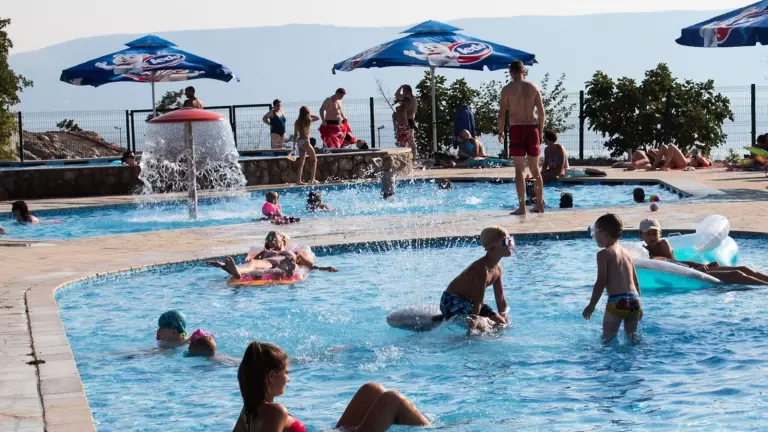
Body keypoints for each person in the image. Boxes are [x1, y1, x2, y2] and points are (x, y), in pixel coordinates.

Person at [232, 341, 430, 432]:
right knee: (391, 399)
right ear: (271, 376)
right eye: (286, 372)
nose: (288, 379)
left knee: (372, 390)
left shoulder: (248, 413)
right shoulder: (276, 412)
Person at [639, 218, 768, 285]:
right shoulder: (645, 253)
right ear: (641, 236)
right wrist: (698, 268)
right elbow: (671, 267)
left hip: (690, 269)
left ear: (660, 233)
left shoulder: (663, 244)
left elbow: (675, 262)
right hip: (688, 275)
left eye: (654, 233)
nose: (652, 237)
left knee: (743, 268)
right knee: (736, 274)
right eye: (648, 234)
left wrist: (701, 266)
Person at [439, 226, 512, 333]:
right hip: (450, 301)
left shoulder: (498, 269)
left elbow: (500, 299)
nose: (510, 244)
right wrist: (472, 328)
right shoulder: (482, 269)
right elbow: (478, 301)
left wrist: (504, 319)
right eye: (506, 241)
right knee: (483, 329)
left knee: (501, 323)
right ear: (492, 247)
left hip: (468, 301)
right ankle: (447, 315)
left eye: (511, 240)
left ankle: (445, 317)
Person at [582, 213, 642, 343]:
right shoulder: (627, 254)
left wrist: (591, 306)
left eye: (595, 232)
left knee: (607, 339)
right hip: (634, 301)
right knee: (632, 339)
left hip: (617, 301)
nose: (594, 235)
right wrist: (640, 306)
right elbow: (636, 282)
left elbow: (601, 282)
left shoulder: (603, 254)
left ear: (603, 233)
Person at [498, 60, 546, 215]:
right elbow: (542, 112)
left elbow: (502, 113)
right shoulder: (533, 87)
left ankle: (522, 207)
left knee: (519, 170)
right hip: (532, 128)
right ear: (524, 71)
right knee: (535, 170)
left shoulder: (507, 89)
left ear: (510, 73)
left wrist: (500, 131)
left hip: (517, 129)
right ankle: (539, 205)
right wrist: (540, 131)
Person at [206, 250, 299, 281]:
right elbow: (254, 258)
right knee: (253, 263)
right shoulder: (266, 251)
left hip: (283, 262)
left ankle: (290, 270)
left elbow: (303, 261)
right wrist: (249, 259)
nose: (271, 240)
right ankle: (236, 271)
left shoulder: (291, 251)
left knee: (253, 263)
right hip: (268, 262)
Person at [293, 106, 321, 184]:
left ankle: (298, 180)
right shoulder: (308, 120)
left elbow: (295, 134)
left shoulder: (297, 122)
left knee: (301, 162)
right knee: (314, 160)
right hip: (305, 141)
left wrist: (293, 146)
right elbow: (318, 118)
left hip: (299, 142)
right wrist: (309, 115)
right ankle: (312, 179)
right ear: (307, 113)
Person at [395, 85, 418, 159]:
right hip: (408, 121)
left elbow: (397, 95)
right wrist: (401, 86)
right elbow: (397, 95)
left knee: (409, 140)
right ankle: (410, 156)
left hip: (408, 121)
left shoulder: (410, 99)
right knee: (406, 140)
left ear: (407, 91)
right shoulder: (410, 98)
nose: (403, 93)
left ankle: (413, 157)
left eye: (404, 91)